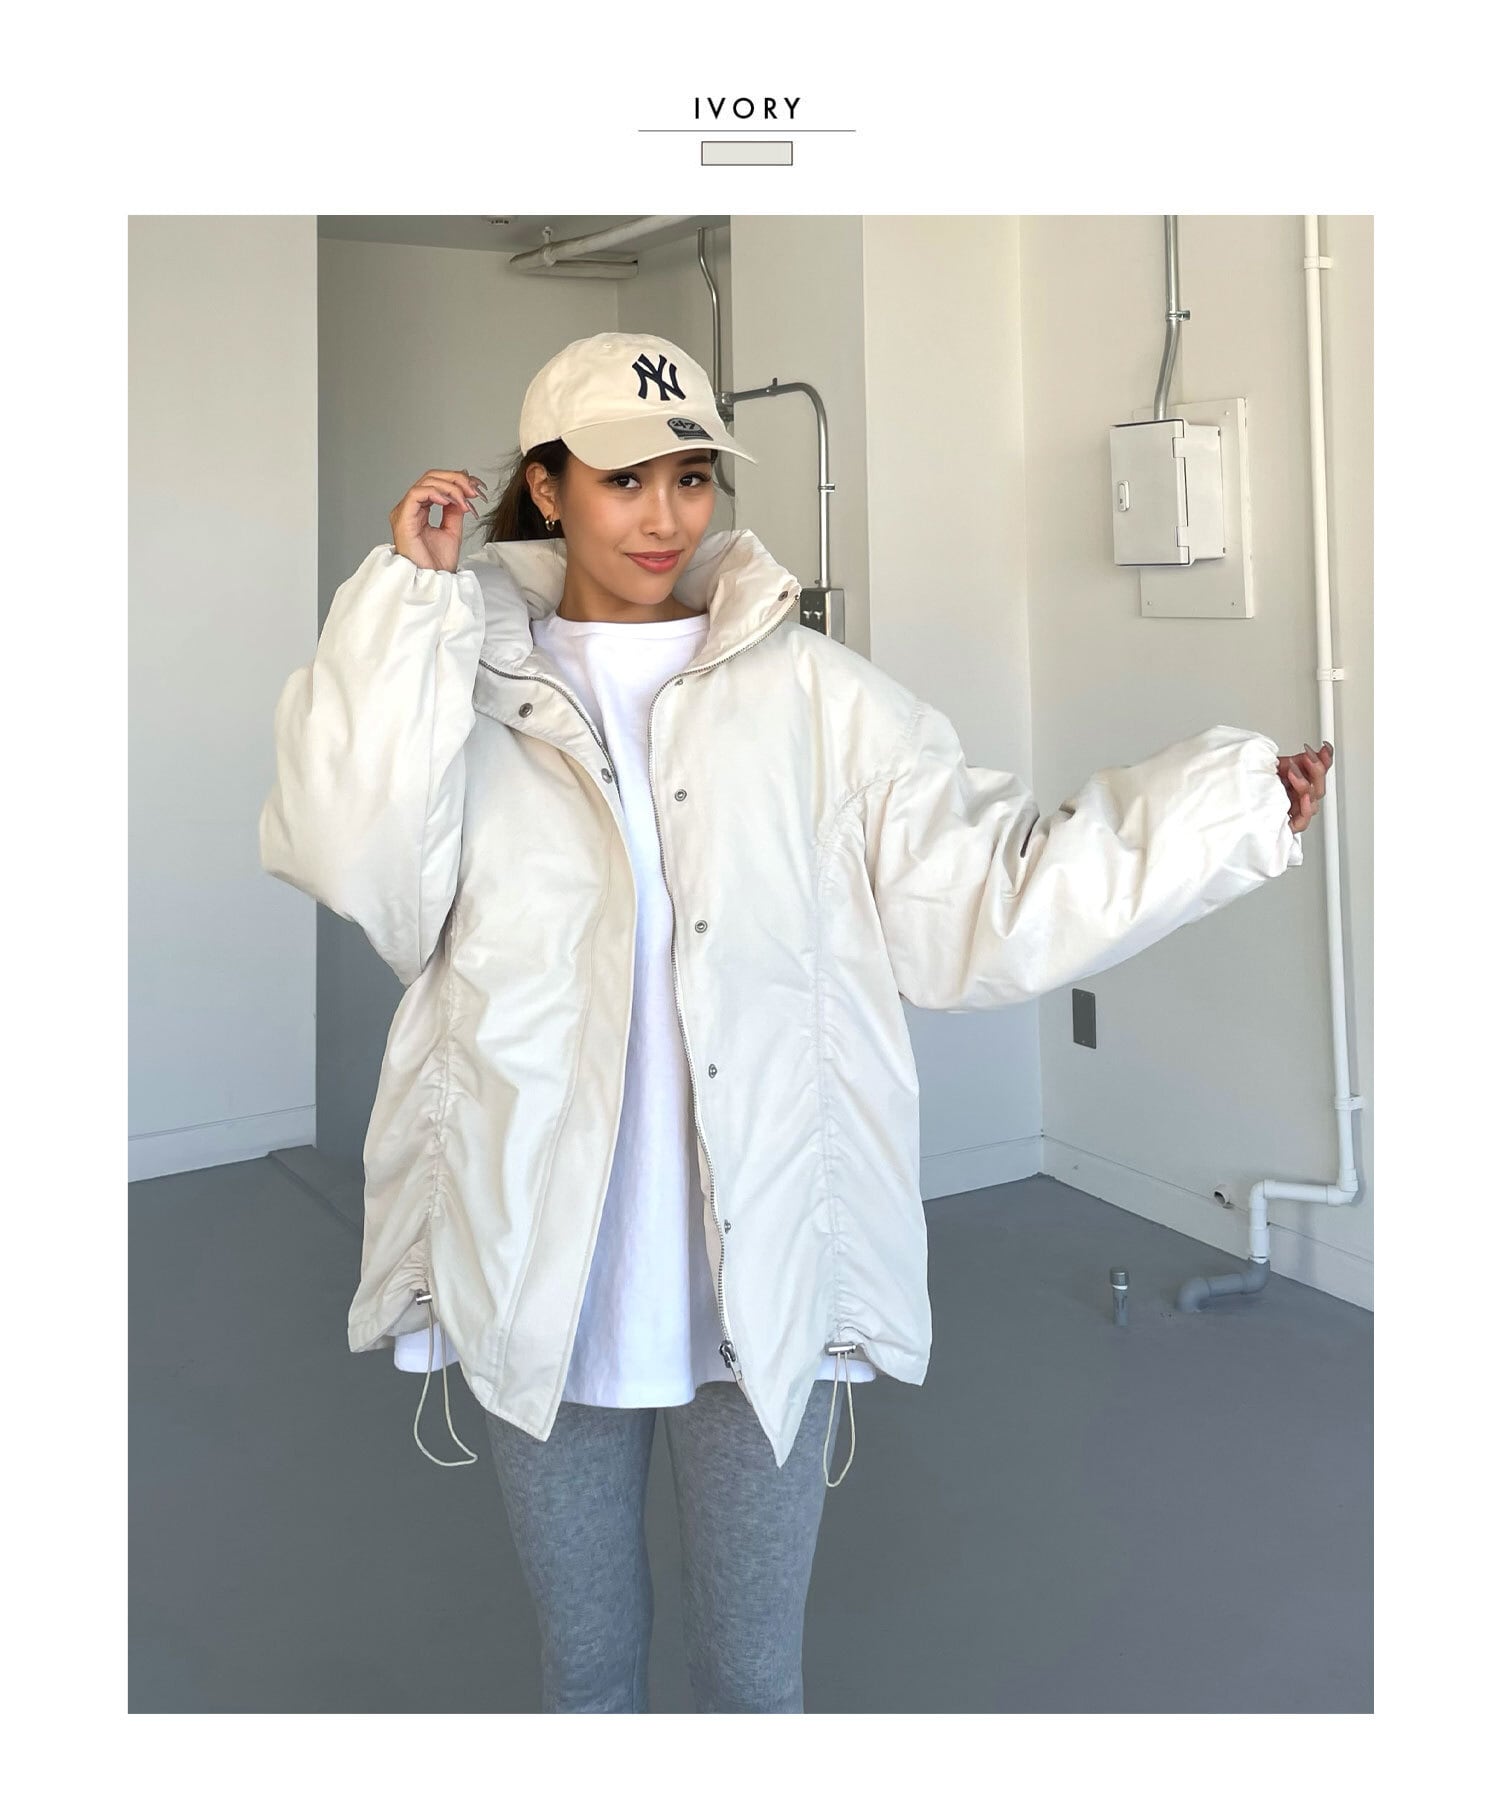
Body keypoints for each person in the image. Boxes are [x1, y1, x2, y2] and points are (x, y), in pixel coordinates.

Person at [257, 330, 1330, 1713]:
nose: (665, 516)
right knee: (585, 1666)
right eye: (625, 479)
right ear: (548, 486)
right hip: (536, 1253)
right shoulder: (459, 689)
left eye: (692, 477)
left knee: (757, 1676)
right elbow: (354, 860)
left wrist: (1220, 816)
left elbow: (983, 899)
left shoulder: (820, 698)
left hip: (761, 1252)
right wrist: (408, 607)